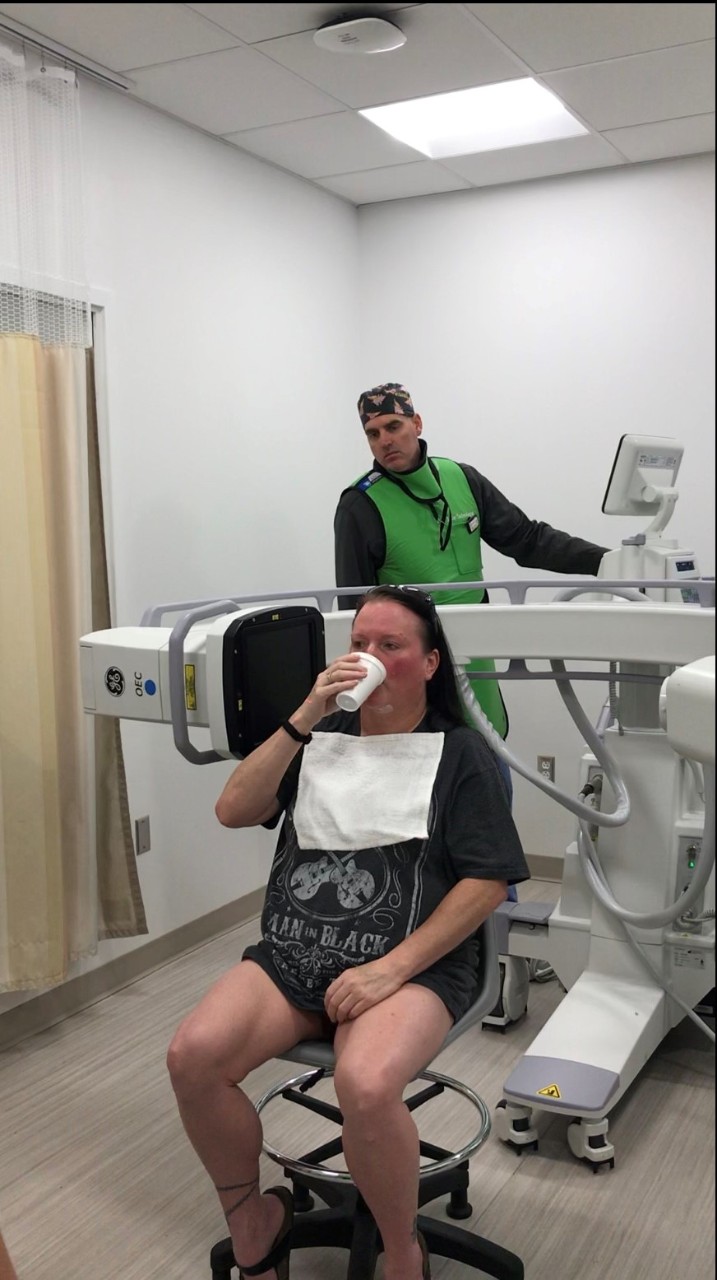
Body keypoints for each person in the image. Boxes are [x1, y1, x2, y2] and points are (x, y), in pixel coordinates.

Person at [167, 584, 529, 1280]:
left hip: (412, 964)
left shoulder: (461, 755)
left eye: (390, 645)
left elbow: (485, 884)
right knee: (193, 1057)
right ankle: (254, 1219)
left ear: (427, 664)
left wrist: (389, 969)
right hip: (294, 956)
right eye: (359, 643)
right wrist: (306, 713)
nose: (369, 656)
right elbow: (232, 809)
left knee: (362, 1084)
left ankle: (402, 1253)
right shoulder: (319, 739)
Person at [334, 381, 610, 741]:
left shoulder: (461, 478)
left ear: (416, 424)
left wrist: (606, 562)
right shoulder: (360, 504)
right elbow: (354, 611)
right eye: (373, 433)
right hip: (412, 666)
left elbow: (527, 539)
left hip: (475, 650)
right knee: (434, 772)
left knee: (491, 749)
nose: (384, 440)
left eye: (393, 427)